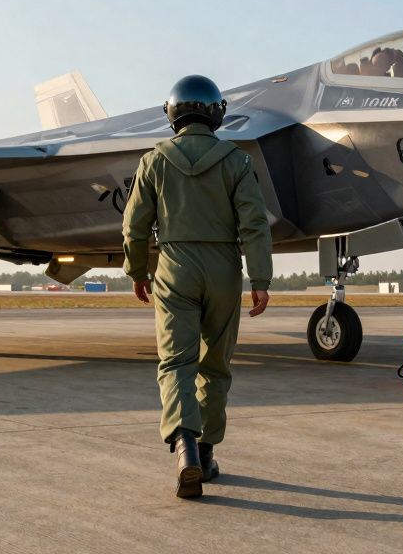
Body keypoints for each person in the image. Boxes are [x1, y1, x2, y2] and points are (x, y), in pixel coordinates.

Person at [121, 74, 273, 499]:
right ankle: (206, 456)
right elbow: (254, 223)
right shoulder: (236, 160)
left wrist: (137, 271)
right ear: (217, 114)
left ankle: (184, 449)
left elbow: (134, 226)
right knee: (215, 365)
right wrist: (260, 278)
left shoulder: (154, 160)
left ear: (171, 115)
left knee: (175, 364)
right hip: (224, 268)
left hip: (174, 267)